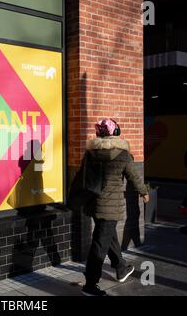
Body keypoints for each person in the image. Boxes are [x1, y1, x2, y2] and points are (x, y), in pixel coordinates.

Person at [76, 118, 149, 296]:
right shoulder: (122, 154)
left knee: (108, 236)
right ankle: (90, 285)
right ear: (115, 132)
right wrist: (144, 192)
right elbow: (134, 176)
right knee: (100, 244)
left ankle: (121, 267)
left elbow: (81, 177)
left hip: (94, 203)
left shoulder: (90, 153)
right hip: (110, 206)